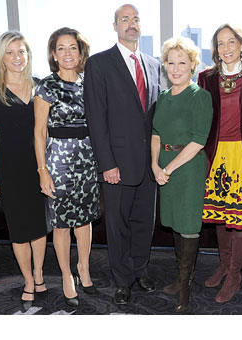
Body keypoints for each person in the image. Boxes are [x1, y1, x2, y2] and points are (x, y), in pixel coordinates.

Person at [84, 4, 161, 305]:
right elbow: (96, 118)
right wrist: (107, 164)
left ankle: (140, 269)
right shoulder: (99, 63)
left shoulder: (153, 65)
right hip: (116, 164)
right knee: (117, 226)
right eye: (125, 19)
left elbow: (154, 117)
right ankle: (122, 280)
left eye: (136, 19)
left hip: (147, 165)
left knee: (145, 222)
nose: (131, 24)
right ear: (114, 26)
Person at [0, 31, 48, 312]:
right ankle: (29, 280)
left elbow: (47, 131)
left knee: (39, 226)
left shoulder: (41, 87)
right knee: (19, 229)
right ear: (1, 57)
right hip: (9, 169)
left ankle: (41, 274)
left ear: (28, 55)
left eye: (21, 51)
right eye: (10, 52)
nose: (17, 57)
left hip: (39, 167)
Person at [197, 24, 242, 303]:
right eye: (220, 43)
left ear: (241, 45)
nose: (226, 48)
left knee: (240, 220)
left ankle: (235, 273)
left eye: (231, 42)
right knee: (220, 216)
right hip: (215, 155)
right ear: (215, 49)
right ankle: (224, 265)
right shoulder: (205, 78)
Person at [34, 27, 100, 308]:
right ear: (53, 54)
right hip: (58, 161)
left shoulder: (91, 82)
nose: (67, 53)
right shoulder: (46, 86)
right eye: (61, 48)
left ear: (80, 51)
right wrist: (42, 170)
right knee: (61, 225)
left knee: (84, 220)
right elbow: (38, 132)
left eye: (72, 47)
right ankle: (66, 275)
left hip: (88, 159)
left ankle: (83, 268)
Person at [152, 37, 213, 312]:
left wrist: (167, 168)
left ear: (193, 66)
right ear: (165, 66)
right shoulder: (163, 97)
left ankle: (185, 290)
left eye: (182, 63)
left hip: (187, 170)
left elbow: (199, 141)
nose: (176, 69)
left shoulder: (200, 96)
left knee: (188, 226)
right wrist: (155, 165)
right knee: (174, 222)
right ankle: (179, 279)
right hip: (164, 168)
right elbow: (155, 133)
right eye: (171, 62)